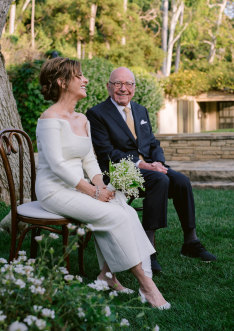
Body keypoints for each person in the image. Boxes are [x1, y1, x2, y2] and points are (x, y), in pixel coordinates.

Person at [35, 57, 170, 309]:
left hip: (79, 187)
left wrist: (102, 186)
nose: (85, 80)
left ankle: (107, 276)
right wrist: (92, 191)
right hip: (54, 191)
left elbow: (90, 161)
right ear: (62, 82)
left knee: (125, 210)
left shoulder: (82, 119)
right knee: (116, 216)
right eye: (79, 76)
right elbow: (56, 165)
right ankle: (147, 287)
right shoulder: (49, 119)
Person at [86, 66, 216, 273]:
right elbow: (106, 152)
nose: (123, 88)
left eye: (128, 84)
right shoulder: (96, 114)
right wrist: (142, 165)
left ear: (134, 88)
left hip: (151, 168)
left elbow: (152, 143)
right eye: (118, 83)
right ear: (108, 87)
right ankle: (148, 249)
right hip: (119, 172)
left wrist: (159, 163)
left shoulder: (140, 110)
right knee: (160, 180)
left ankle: (191, 241)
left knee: (181, 181)